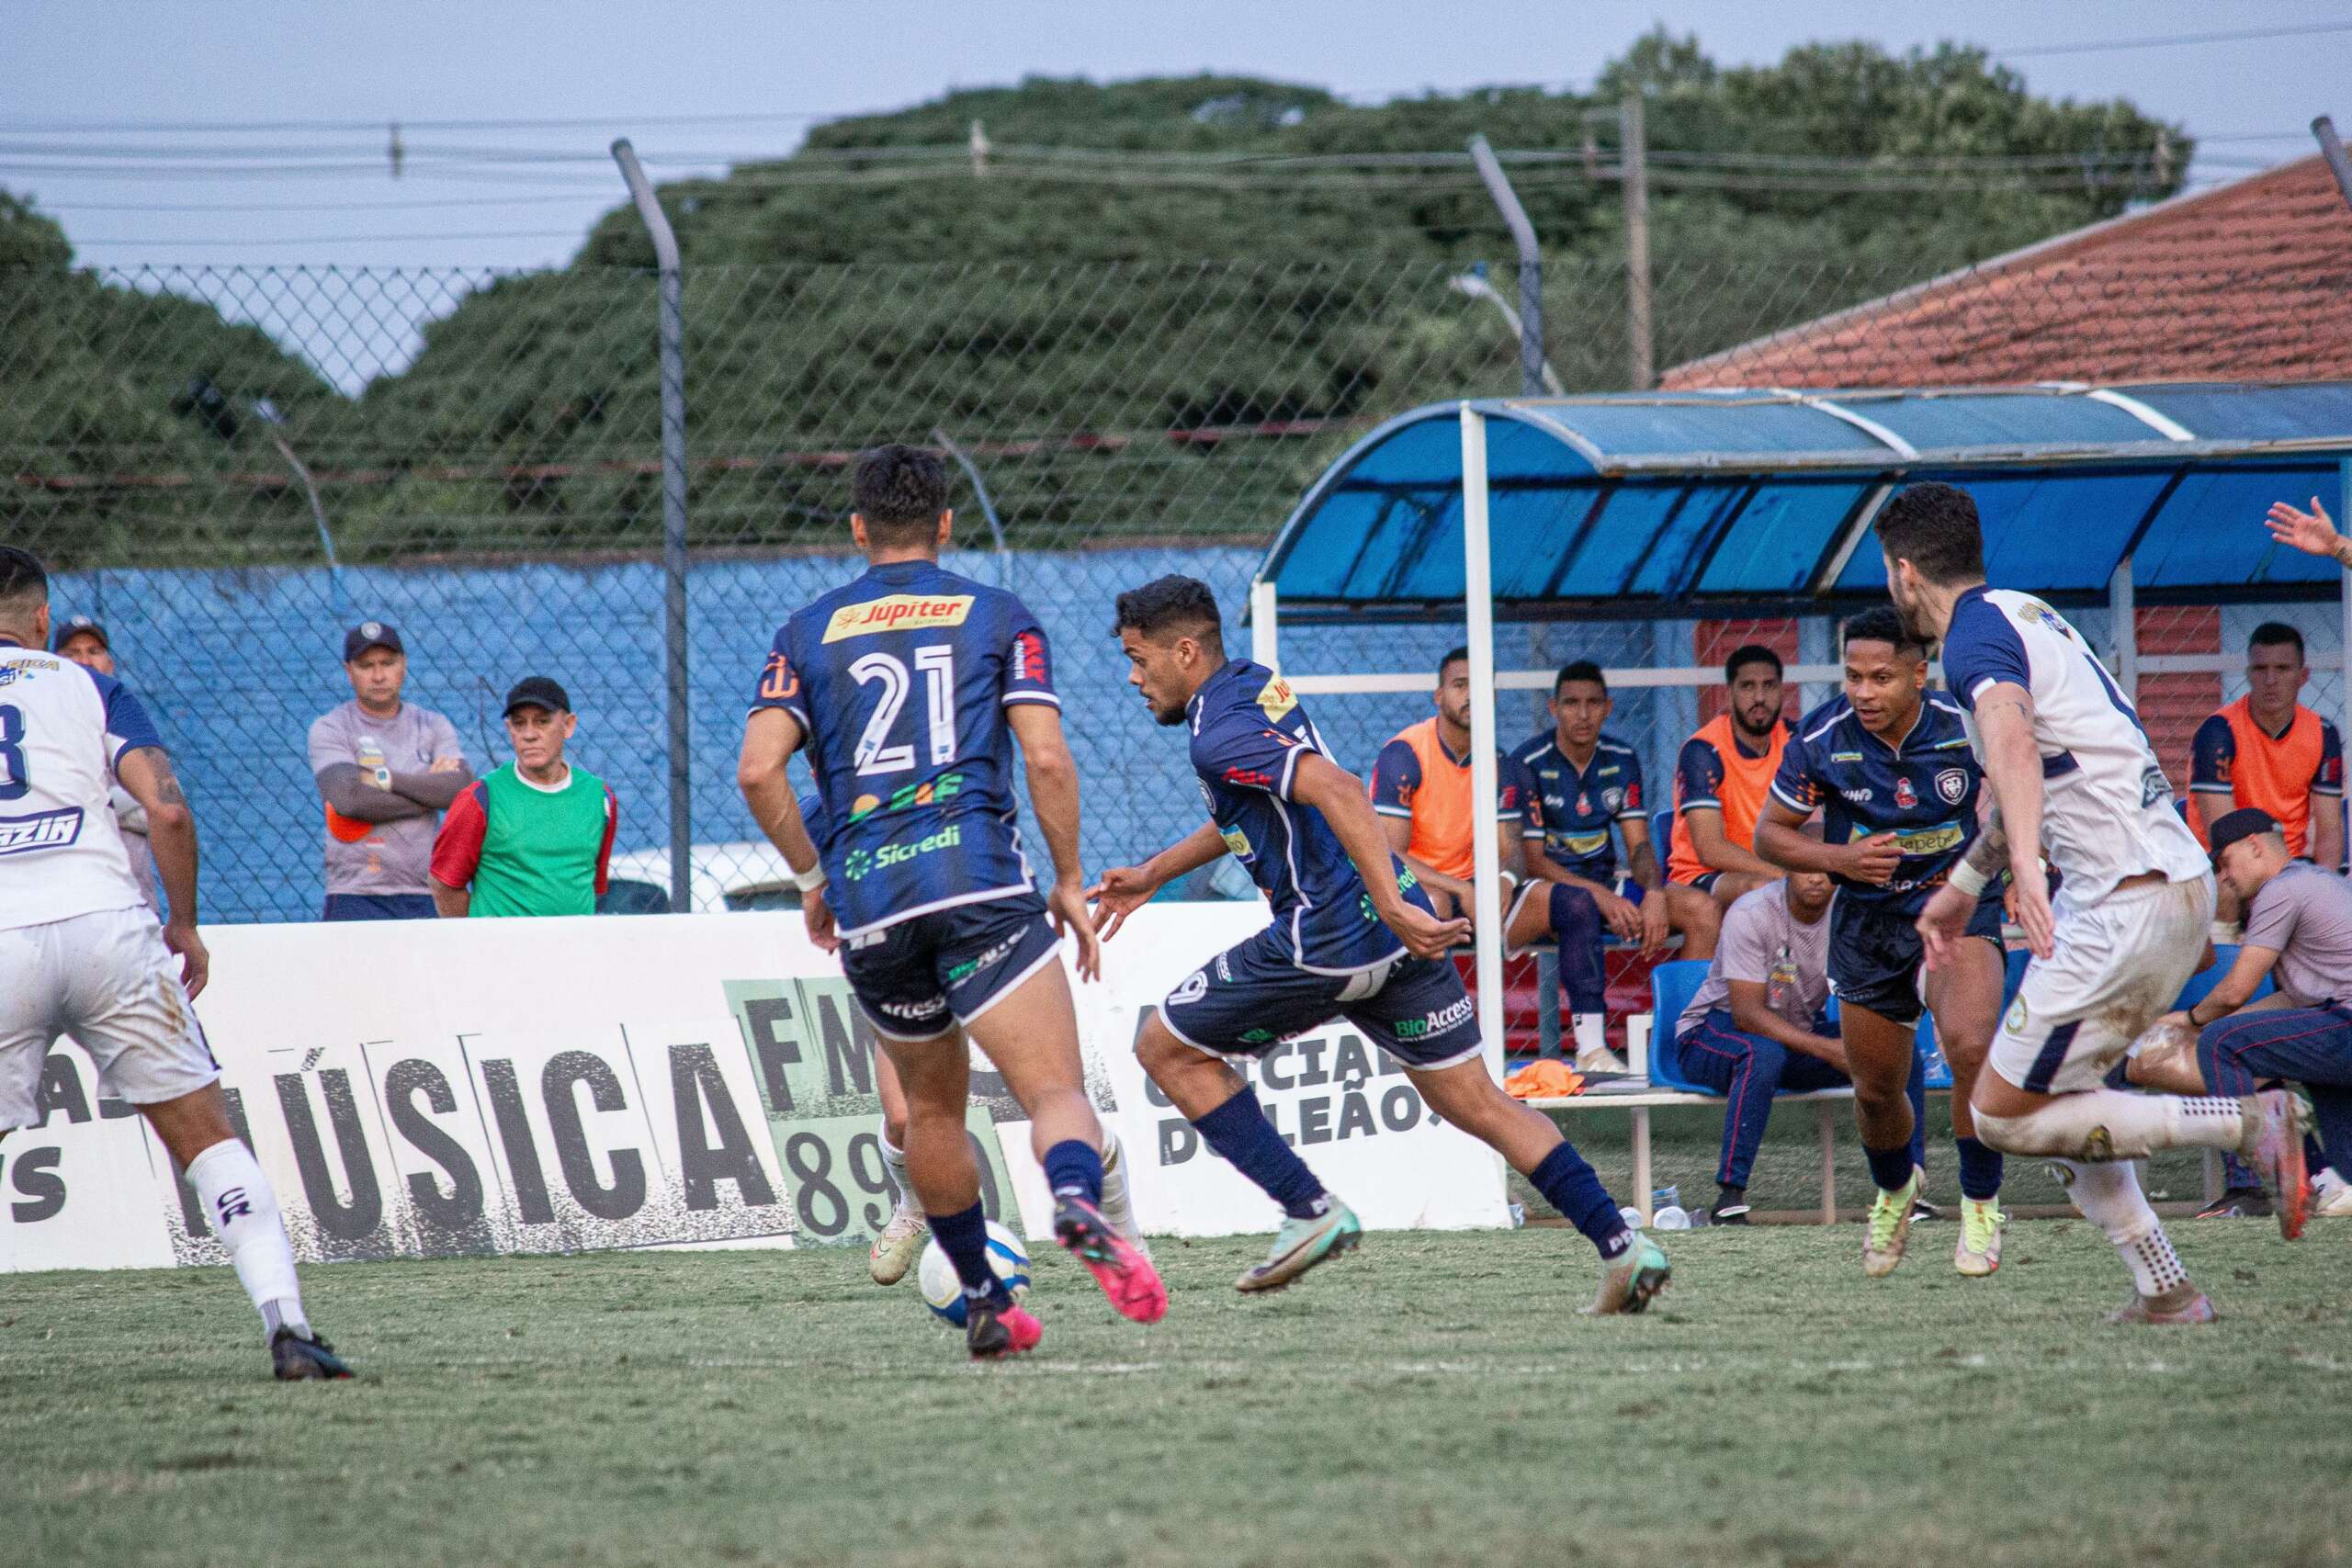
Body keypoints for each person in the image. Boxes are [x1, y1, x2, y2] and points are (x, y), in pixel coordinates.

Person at [1093, 575, 1671, 1314]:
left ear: (1183, 651)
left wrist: (1395, 903)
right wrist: (1152, 872)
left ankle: (1306, 1206)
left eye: (1140, 660)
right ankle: (1624, 1245)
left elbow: (1336, 788)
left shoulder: (1215, 732)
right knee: (1480, 1102)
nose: (1135, 679)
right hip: (1391, 941)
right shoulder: (1252, 685)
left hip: (1331, 933)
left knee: (1164, 1048)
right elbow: (1257, 808)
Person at [735, 444, 1163, 1359]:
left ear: (857, 529)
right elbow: (1045, 758)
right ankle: (1079, 1203)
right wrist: (1066, 877)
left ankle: (981, 1299)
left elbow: (756, 771)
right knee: (1050, 1087)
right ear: (946, 524)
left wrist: (815, 882)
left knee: (930, 1114)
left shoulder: (805, 632)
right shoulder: (998, 615)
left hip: (872, 904)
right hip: (975, 880)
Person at [1891, 480, 2308, 1326]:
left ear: (1903, 573)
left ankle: (2245, 1120)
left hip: (2125, 900)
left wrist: (2028, 870)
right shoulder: (2023, 612)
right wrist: (1966, 887)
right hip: (2172, 885)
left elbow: (2007, 736)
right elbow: (2031, 775)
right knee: (2057, 1104)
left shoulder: (1973, 639)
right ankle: (2167, 1288)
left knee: (1998, 1114)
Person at [0, 547, 350, 1380]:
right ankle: (288, 1326)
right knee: (207, 1142)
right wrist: (184, 926)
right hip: (110, 927)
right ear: (43, 620)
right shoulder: (86, 684)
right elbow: (166, 809)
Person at [1753, 607, 2009, 1278]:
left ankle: (1981, 1203)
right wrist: (1841, 858)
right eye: (1854, 676)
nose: (1864, 691)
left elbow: (2023, 792)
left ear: (1920, 675)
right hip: (1867, 925)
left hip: (1956, 909)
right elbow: (1768, 836)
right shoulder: (1822, 735)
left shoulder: (1967, 727)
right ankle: (1897, 1189)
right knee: (1874, 1088)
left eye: (1882, 677)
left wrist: (2016, 868)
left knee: (1970, 1045)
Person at [1368, 648, 1613, 1067]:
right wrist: (1461, 888)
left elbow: (1511, 849)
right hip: (1424, 892)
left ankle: (1593, 1049)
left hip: (1478, 897)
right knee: (1436, 904)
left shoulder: (1500, 762)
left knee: (1576, 904)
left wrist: (1502, 880)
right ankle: (1435, 1049)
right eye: (1460, 685)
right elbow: (1388, 855)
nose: (1470, 695)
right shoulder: (1405, 754)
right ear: (1439, 696)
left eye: (1480, 686)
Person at [2126, 807, 2352, 1219]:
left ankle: (2270, 1178)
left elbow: (2235, 991)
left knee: (2222, 1043)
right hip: (2335, 1024)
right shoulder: (2316, 880)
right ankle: (2327, 1179)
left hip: (2344, 1025)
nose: (2225, 876)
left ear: (2254, 847)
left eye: (2226, 862)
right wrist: (2222, 1020)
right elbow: (2295, 1001)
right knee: (2343, 1172)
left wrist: (2191, 1021)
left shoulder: (2281, 890)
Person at [1671, 861, 1915, 1224]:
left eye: (1826, 870)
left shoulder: (1848, 913)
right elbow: (1747, 1015)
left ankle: (1908, 1189)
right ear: (1786, 869)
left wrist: (1860, 1043)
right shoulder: (1751, 911)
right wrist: (1830, 1051)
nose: (1817, 876)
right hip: (1711, 1032)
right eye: (1805, 868)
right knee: (1761, 1054)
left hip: (1794, 1034)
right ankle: (1729, 1198)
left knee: (1892, 1050)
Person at [1513, 660, 1687, 1067]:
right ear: (1554, 708)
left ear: (1608, 707)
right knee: (1581, 903)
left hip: (1606, 882)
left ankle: (1683, 1037)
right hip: (1551, 892)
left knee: (1699, 910)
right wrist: (1601, 896)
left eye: (1593, 703)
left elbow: (1639, 845)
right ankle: (1592, 1048)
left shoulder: (1621, 758)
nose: (1583, 713)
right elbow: (1533, 861)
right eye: (1572, 703)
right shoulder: (1528, 761)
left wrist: (1656, 893)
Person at [307, 621, 472, 920]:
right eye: (366, 665)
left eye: (388, 663)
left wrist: (383, 779)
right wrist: (429, 792)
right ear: (349, 671)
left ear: (404, 665)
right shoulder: (331, 727)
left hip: (425, 892)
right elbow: (350, 800)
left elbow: (461, 789)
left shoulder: (433, 725)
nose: (379, 675)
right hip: (355, 894)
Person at [2188, 622, 2343, 927]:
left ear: (2303, 676)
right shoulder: (2218, 732)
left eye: (2283, 669)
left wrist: (2324, 894)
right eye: (2260, 669)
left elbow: (2329, 834)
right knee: (2226, 897)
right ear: (2248, 674)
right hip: (2223, 868)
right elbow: (2224, 835)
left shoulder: (2323, 734)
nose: (2271, 680)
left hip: (2288, 865)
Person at [429, 677, 616, 919]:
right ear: (510, 730)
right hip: (502, 953)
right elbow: (444, 885)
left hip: (576, 951)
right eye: (519, 724)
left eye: (542, 722)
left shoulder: (600, 798)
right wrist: (477, 943)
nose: (529, 734)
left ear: (568, 726)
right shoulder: (480, 798)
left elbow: (592, 883)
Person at [1664, 645, 1791, 960]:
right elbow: (1711, 848)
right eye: (1747, 686)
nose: (1759, 697)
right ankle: (1705, 1005)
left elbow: (1817, 818)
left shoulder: (1795, 741)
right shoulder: (1703, 750)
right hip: (1702, 876)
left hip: (1778, 867)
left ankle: (1809, 999)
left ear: (1781, 691)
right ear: (1728, 693)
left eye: (1769, 686)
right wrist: (1782, 873)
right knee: (1760, 890)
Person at [51, 615, 160, 917]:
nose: (85, 661)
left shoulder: (127, 722)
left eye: (94, 651)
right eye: (72, 653)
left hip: (132, 901)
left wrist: (86, 802)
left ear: (110, 664)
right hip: (65, 902)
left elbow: (157, 809)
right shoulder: (45, 725)